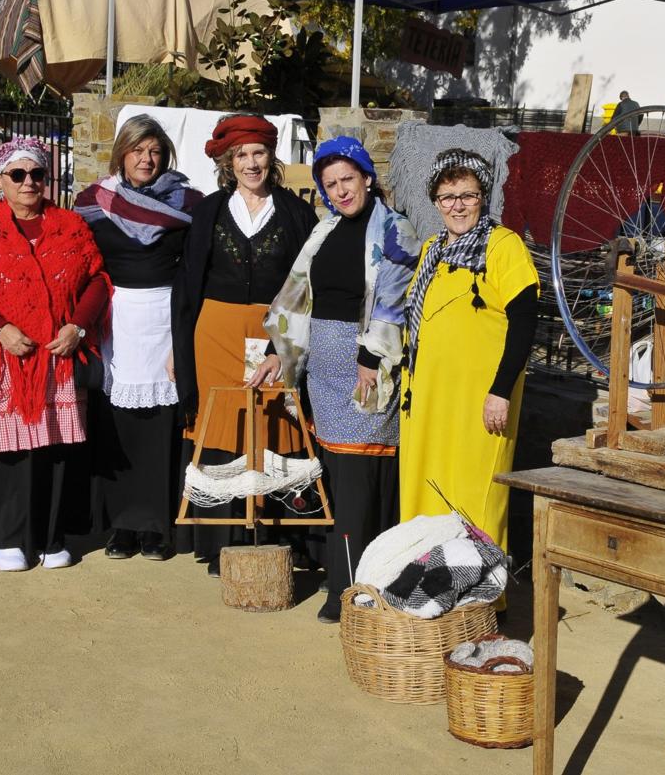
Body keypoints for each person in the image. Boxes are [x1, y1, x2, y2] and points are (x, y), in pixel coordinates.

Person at [260, 136, 420, 623]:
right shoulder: (324, 230)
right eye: (330, 184)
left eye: (347, 179)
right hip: (322, 373)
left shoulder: (396, 229)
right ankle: (343, 580)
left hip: (366, 368)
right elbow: (296, 294)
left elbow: (395, 298)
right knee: (334, 476)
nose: (340, 190)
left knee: (360, 479)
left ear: (368, 178)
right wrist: (277, 351)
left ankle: (354, 591)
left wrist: (371, 356)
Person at [0, 137, 110, 572]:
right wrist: (1, 330)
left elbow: (96, 280)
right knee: (5, 448)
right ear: (1, 181)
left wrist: (78, 327)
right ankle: (9, 538)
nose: (29, 182)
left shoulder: (69, 226)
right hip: (0, 353)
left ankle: (51, 537)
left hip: (55, 353)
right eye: (18, 174)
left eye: (37, 174)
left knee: (51, 446)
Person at [171, 114, 317, 576]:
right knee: (222, 426)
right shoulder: (209, 211)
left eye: (258, 153)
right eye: (241, 155)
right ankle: (222, 541)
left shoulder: (296, 213)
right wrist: (179, 349)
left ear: (271, 158)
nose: (251, 163)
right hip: (214, 332)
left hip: (273, 334)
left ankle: (273, 535)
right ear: (228, 162)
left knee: (274, 424)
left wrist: (288, 344)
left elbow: (308, 285)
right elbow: (187, 284)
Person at [398, 149, 539, 606]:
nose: (457, 205)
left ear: (484, 196)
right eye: (447, 196)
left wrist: (501, 390)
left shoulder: (503, 246)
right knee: (427, 503)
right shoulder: (432, 251)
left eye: (467, 195)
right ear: (435, 201)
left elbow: (525, 321)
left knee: (476, 505)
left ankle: (479, 605)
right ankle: (430, 601)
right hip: (429, 406)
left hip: (480, 406)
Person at [75, 116, 202, 561]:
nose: (146, 159)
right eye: (138, 150)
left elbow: (194, 268)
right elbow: (79, 262)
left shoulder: (188, 203)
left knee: (162, 427)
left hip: (167, 319)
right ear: (121, 153)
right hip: (115, 320)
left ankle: (156, 526)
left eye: (154, 151)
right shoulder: (92, 203)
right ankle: (120, 526)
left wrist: (184, 340)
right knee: (115, 424)